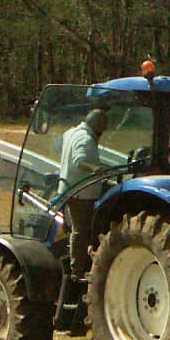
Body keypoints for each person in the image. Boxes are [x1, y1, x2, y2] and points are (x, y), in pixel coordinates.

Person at [59, 107, 108, 278]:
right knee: (80, 229)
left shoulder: (70, 132)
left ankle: (76, 261)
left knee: (73, 228)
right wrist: (95, 168)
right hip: (81, 192)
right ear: (96, 124)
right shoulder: (86, 139)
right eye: (103, 127)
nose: (103, 131)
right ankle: (77, 269)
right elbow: (79, 160)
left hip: (68, 187)